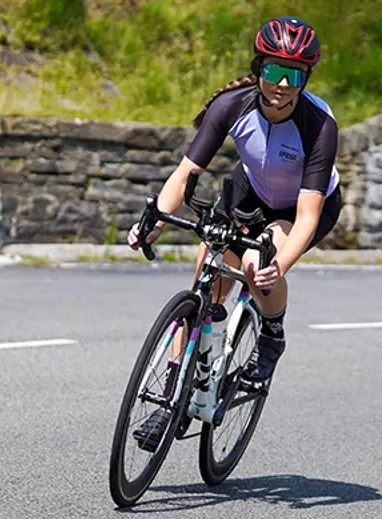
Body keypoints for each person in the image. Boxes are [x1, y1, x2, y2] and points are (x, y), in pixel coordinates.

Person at [127, 15, 342, 448]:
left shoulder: (319, 125)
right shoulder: (232, 105)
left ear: (306, 78)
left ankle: (272, 335)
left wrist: (278, 264)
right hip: (250, 193)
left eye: (293, 75)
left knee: (254, 263)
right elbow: (185, 173)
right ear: (258, 67)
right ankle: (171, 398)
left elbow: (305, 217)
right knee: (207, 271)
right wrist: (151, 224)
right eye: (273, 71)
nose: (281, 84)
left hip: (303, 206)